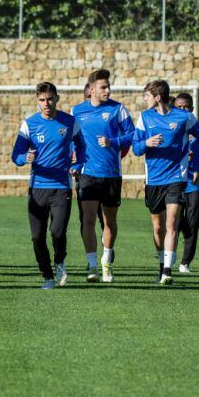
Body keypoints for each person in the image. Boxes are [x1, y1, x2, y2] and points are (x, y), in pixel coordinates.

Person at [133, 80, 199, 285]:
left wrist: (196, 161)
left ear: (157, 97)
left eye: (147, 96)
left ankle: (167, 271)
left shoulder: (184, 117)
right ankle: (161, 263)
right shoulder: (145, 117)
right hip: (154, 179)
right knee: (158, 227)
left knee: (171, 223)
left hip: (176, 177)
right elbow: (136, 149)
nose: (145, 100)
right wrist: (146, 143)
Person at [11, 82, 86, 289]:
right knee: (37, 235)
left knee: (57, 232)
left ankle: (59, 262)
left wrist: (77, 164)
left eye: (50, 99)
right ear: (37, 100)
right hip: (37, 188)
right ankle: (47, 276)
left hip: (61, 187)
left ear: (57, 98)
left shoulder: (70, 122)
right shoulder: (29, 124)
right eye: (42, 100)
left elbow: (82, 147)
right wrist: (24, 158)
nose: (46, 103)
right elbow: (15, 155)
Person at [71, 69, 135, 283]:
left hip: (112, 175)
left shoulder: (118, 109)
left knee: (109, 221)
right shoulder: (77, 111)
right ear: (91, 90)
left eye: (109, 86)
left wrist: (113, 142)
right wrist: (74, 162)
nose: (108, 90)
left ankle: (106, 262)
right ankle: (92, 265)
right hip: (87, 174)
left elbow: (133, 135)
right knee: (87, 220)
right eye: (103, 87)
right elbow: (71, 140)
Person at [172, 93, 199, 274]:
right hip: (174, 183)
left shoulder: (198, 132)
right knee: (174, 223)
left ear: (192, 110)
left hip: (192, 185)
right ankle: (169, 255)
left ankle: (185, 263)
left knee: (192, 225)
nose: (183, 110)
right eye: (179, 107)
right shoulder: (171, 129)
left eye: (187, 107)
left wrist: (197, 163)